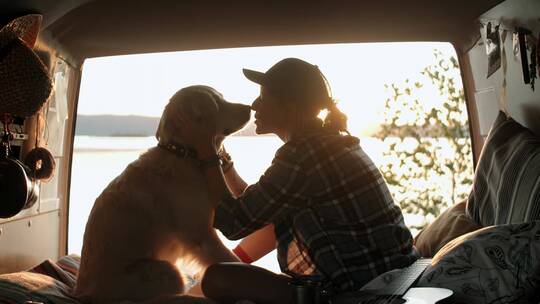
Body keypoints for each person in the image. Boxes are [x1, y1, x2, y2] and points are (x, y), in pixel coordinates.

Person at [184, 58, 418, 304]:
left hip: (363, 291)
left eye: (263, 97)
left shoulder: (302, 155)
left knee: (217, 279)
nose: (254, 105)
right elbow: (258, 205)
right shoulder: (328, 143)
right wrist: (225, 164)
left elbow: (232, 222)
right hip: (397, 274)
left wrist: (207, 152)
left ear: (290, 108)